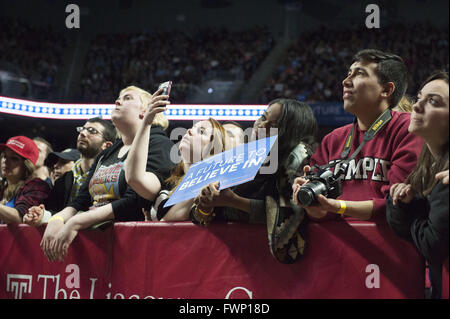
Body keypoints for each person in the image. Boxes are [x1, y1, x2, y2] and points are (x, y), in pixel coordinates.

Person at [40, 86, 174, 262]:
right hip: (96, 247)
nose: (117, 101)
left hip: (130, 250)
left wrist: (77, 221)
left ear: (145, 110)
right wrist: (57, 219)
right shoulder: (107, 153)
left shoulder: (160, 144)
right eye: (118, 98)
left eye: (127, 98)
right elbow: (82, 200)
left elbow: (134, 202)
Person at [292, 49, 423, 222]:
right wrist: (312, 203)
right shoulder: (333, 139)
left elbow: (396, 204)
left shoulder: (407, 129)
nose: (345, 81)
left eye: (359, 74)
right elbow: (321, 213)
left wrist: (339, 206)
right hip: (334, 246)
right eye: (348, 74)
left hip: (387, 246)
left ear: (386, 89)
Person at [194, 98, 318, 263]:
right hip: (232, 261)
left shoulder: (298, 159)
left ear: (290, 133)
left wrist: (233, 201)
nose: (262, 125)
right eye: (263, 117)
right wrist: (206, 204)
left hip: (277, 270)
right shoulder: (243, 159)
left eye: (273, 125)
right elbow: (204, 214)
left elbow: (286, 214)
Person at [386, 71, 449, 299]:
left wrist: (412, 211)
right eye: (420, 97)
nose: (416, 106)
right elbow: (401, 223)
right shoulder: (426, 164)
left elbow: (433, 246)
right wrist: (405, 204)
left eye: (433, 101)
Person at [126, 104, 230, 221]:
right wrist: (146, 124)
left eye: (201, 131)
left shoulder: (214, 186)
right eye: (193, 127)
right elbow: (133, 179)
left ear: (214, 150)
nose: (189, 131)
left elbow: (167, 220)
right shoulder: (168, 175)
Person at [24, 117, 116, 226]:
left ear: (107, 146)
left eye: (92, 131)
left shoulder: (111, 177)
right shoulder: (64, 179)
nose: (83, 133)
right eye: (82, 129)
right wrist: (42, 215)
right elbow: (56, 212)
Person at [0, 136, 51, 223]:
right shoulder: (2, 186)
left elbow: (21, 217)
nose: (6, 161)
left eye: (14, 158)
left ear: (27, 165)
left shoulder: (37, 187)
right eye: (5, 156)